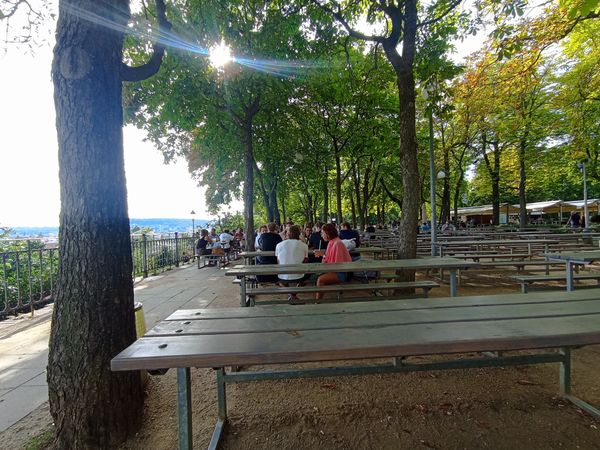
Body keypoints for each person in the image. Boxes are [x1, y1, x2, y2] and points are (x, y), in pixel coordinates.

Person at [315, 223, 353, 302]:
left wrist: (323, 255)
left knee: (320, 280)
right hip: (334, 271)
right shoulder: (332, 242)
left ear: (328, 233)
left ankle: (317, 302)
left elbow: (337, 265)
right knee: (317, 276)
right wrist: (323, 255)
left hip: (340, 274)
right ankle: (318, 301)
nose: (322, 235)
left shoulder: (337, 243)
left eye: (323, 233)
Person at [275, 225, 310, 304]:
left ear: (288, 233)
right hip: (299, 276)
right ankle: (293, 294)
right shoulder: (304, 245)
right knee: (309, 275)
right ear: (299, 234)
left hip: (282, 275)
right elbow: (305, 261)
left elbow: (278, 262)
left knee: (278, 278)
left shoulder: (279, 245)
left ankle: (291, 294)